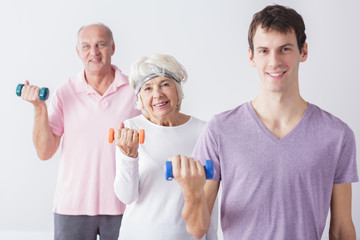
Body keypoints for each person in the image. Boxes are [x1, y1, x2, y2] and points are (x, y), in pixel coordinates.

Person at [169, 5, 359, 240]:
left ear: (304, 51)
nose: (274, 61)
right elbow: (197, 229)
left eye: (285, 49)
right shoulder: (220, 129)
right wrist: (192, 192)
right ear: (251, 56)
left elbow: (341, 230)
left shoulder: (337, 135)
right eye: (263, 51)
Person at [19, 23, 140, 240]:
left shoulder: (135, 91)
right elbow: (44, 152)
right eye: (86, 46)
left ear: (112, 47)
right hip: (72, 207)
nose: (93, 52)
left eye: (100, 44)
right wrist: (39, 108)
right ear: (78, 52)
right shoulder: (65, 91)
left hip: (124, 205)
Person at [113, 54, 218, 240]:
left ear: (177, 89)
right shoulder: (130, 129)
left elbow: (210, 199)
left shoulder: (204, 131)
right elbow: (126, 196)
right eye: (148, 88)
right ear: (140, 97)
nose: (157, 94)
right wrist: (130, 156)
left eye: (164, 84)